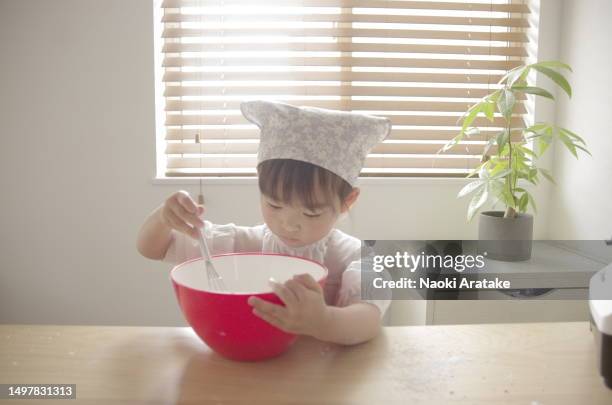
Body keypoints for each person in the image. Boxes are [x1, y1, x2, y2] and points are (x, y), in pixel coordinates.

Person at [137, 100, 392, 345]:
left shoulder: (357, 256)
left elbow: (368, 319)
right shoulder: (246, 244)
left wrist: (323, 321)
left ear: (348, 201)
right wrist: (164, 218)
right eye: (274, 205)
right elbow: (153, 249)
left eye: (311, 213)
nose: (288, 224)